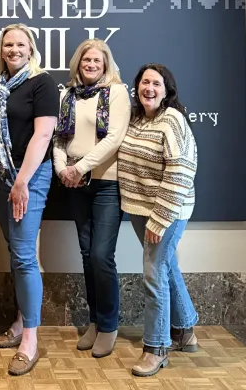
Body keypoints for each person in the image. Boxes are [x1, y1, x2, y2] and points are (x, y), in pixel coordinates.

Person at [0, 23, 59, 376]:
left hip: (29, 177)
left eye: (20, 44)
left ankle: (30, 340)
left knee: (25, 256)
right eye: (8, 45)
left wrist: (22, 182)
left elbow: (43, 135)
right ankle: (19, 320)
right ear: (1, 50)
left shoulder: (42, 83)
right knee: (16, 252)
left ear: (31, 49)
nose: (13, 50)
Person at [118, 64, 198, 377]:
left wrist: (160, 218)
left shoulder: (172, 120)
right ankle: (186, 330)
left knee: (153, 275)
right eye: (144, 82)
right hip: (140, 209)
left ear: (166, 91)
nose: (149, 88)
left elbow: (181, 172)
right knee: (165, 266)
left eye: (156, 83)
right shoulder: (136, 119)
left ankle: (156, 347)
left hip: (168, 211)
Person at [53, 39, 130, 358]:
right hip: (75, 184)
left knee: (101, 255)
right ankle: (96, 322)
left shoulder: (117, 92)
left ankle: (109, 325)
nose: (91, 64)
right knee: (87, 255)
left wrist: (80, 167)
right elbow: (60, 138)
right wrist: (62, 169)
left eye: (97, 60)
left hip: (106, 183)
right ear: (78, 62)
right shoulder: (67, 94)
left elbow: (115, 138)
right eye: (87, 60)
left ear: (106, 64)